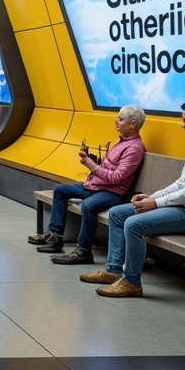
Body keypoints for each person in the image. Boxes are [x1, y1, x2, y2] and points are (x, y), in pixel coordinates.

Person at [81, 98, 185, 298]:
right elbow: (182, 183)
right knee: (117, 213)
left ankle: (131, 282)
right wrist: (151, 197)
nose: (182, 126)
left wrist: (155, 203)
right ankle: (113, 270)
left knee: (133, 224)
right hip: (183, 207)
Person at [28, 106, 146, 264]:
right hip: (97, 186)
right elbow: (109, 169)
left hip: (112, 192)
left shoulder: (134, 148)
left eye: (121, 119)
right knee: (60, 190)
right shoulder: (121, 142)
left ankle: (83, 251)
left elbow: (117, 178)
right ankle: (55, 238)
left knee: (88, 205)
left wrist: (91, 165)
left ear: (133, 124)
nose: (116, 121)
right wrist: (91, 162)